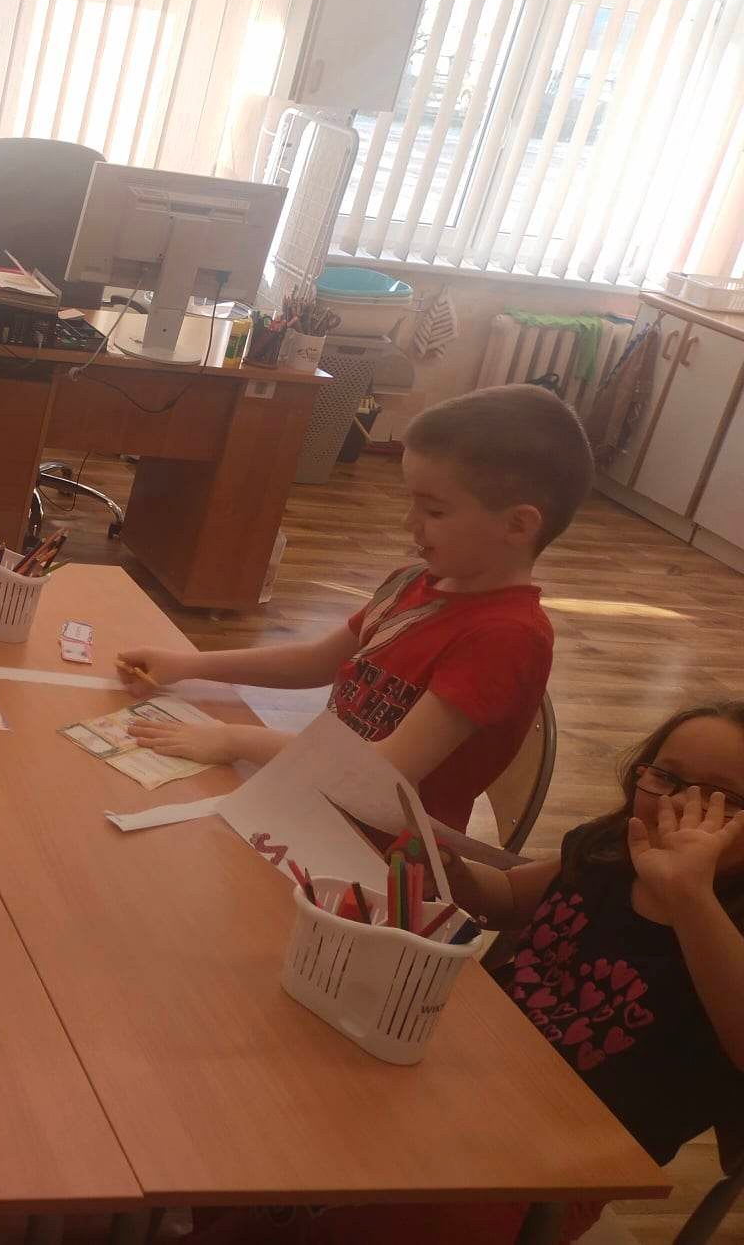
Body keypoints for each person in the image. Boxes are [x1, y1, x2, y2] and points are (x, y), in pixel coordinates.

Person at [189, 702, 744, 1245]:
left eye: (725, 800)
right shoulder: (609, 850)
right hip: (468, 1065)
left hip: (553, 1168)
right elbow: (508, 899)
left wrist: (690, 895)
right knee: (260, 1114)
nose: (682, 805)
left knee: (338, 1199)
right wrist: (453, 871)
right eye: (667, 777)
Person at [116, 384, 592, 830]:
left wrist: (234, 739)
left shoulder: (505, 639)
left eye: (434, 511)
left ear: (517, 526)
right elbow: (317, 661)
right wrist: (189, 664)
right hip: (320, 801)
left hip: (379, 854)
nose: (409, 523)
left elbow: (379, 772)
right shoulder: (414, 581)